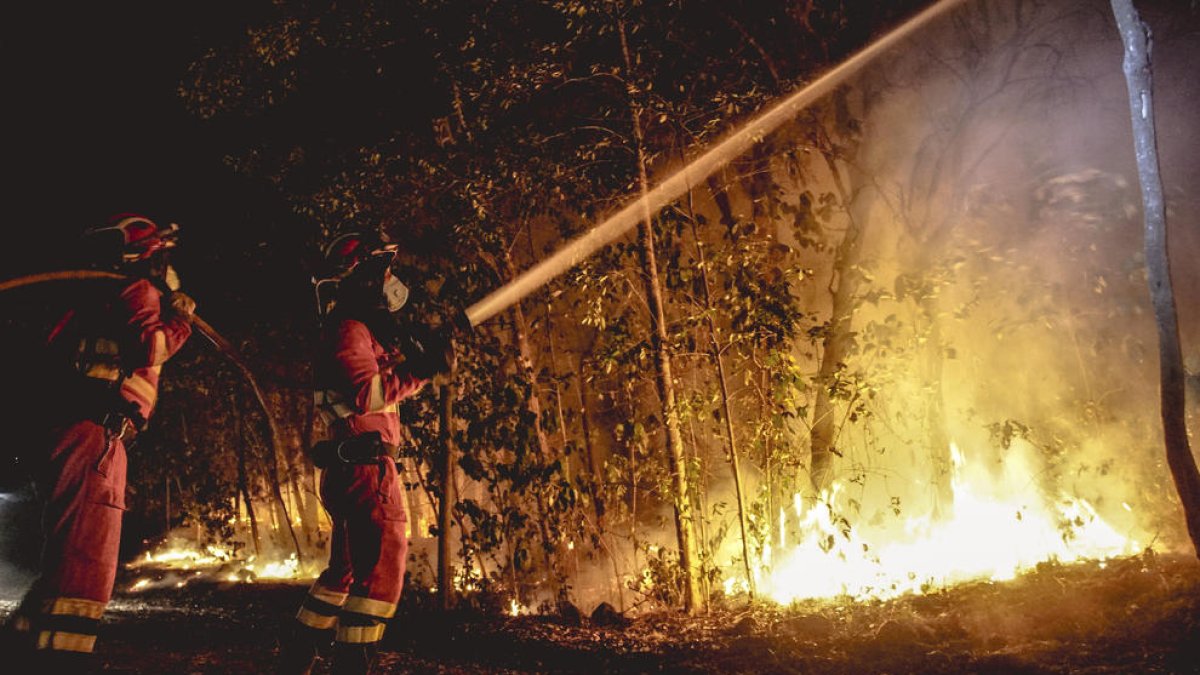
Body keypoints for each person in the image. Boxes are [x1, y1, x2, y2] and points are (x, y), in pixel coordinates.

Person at [4, 214, 196, 669]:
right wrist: (180, 319)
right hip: (96, 431)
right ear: (149, 255)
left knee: (70, 548)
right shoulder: (136, 290)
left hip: (77, 428)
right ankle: (60, 662)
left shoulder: (90, 299)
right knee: (87, 557)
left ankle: (19, 648)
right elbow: (148, 349)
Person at [278, 232, 454, 675]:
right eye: (384, 271)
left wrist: (416, 354)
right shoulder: (349, 330)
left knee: (346, 572)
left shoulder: (351, 330)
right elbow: (366, 392)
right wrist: (419, 369)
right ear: (365, 278)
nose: (390, 279)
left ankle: (297, 654)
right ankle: (353, 664)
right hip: (365, 468)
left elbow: (376, 379)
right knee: (380, 573)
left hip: (355, 465)